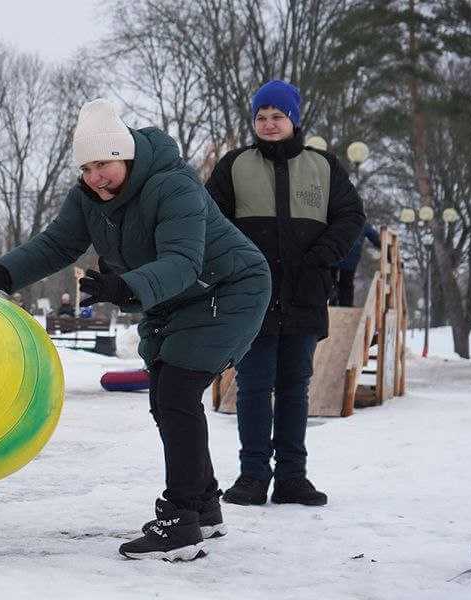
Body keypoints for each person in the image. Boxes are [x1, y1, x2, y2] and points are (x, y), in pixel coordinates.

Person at [0, 99, 270, 561]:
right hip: (172, 297)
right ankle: (204, 506)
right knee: (165, 395)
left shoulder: (173, 186)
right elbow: (58, 244)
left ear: (124, 155)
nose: (94, 177)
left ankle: (181, 519)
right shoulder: (87, 197)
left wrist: (124, 287)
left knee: (177, 393)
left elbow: (183, 262)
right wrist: (4, 273)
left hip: (229, 289)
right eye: (85, 167)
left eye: (102, 164)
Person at [206, 80, 364, 507]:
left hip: (305, 293)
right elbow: (211, 221)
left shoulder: (324, 166)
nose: (269, 124)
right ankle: (253, 476)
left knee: (295, 386)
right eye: (261, 117)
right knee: (254, 385)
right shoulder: (234, 166)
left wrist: (321, 258)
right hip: (251, 297)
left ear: (293, 119)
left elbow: (350, 218)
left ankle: (293, 477)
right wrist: (237, 264)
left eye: (277, 116)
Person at [331, 223, 380, 307]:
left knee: (331, 281)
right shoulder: (362, 223)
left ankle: (332, 301)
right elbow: (376, 239)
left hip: (334, 255)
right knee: (346, 283)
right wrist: (388, 251)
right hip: (350, 257)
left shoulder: (336, 219)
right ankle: (345, 305)